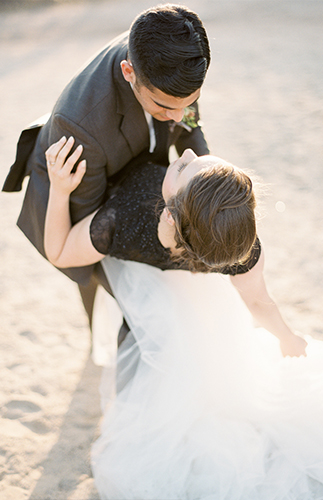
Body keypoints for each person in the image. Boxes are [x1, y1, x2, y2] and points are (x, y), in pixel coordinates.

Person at [43, 138, 323, 500]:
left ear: (170, 214)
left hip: (147, 279)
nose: (187, 153)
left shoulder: (123, 218)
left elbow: (61, 251)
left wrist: (60, 189)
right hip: (188, 286)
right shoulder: (231, 235)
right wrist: (287, 338)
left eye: (181, 167)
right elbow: (258, 300)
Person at [2, 3, 210, 330]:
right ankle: (97, 329)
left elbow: (188, 125)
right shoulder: (81, 125)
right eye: (165, 105)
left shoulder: (176, 56)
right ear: (130, 73)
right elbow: (85, 228)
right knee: (116, 287)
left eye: (189, 100)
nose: (178, 116)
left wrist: (205, 178)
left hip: (132, 156)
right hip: (72, 179)